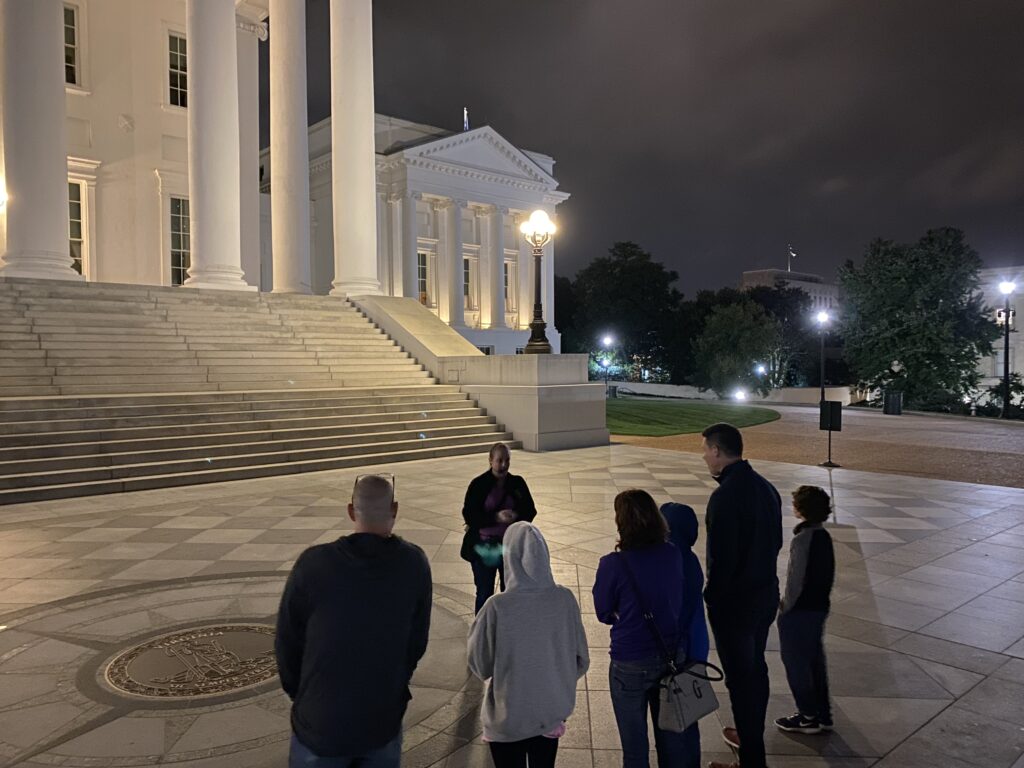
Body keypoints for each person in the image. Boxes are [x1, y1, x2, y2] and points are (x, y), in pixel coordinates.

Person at [275, 474, 432, 768]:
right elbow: (416, 643)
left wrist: (308, 693)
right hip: (380, 718)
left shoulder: (313, 564)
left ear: (350, 511)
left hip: (320, 722)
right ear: (394, 509)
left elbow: (287, 643)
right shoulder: (413, 564)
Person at [468, 521, 590, 768]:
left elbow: (480, 666)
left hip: (508, 716)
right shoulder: (564, 599)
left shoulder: (497, 607)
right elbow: (581, 659)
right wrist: (553, 682)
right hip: (550, 712)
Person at [593, 489, 696, 768]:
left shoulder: (613, 564)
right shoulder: (672, 554)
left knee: (635, 749)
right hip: (670, 655)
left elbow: (603, 611)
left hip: (630, 660)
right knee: (672, 744)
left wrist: (623, 614)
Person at [700, 423, 782, 768]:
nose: (704, 456)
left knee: (740, 678)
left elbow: (722, 560)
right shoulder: (766, 488)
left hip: (737, 604)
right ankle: (751, 739)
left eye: (706, 449)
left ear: (717, 451)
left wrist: (712, 599)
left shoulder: (725, 497)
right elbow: (775, 542)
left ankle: (752, 758)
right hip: (764, 595)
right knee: (756, 670)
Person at [775, 485, 835, 734]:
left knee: (796, 662)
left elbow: (795, 578)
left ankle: (807, 715)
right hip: (818, 607)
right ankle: (822, 713)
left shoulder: (803, 539)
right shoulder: (823, 536)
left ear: (800, 509)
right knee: (814, 661)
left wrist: (784, 608)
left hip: (799, 611)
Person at [661, 502, 710, 767]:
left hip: (680, 653)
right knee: (689, 723)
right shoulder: (689, 558)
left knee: (673, 729)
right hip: (696, 649)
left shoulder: (671, 559)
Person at [461, 443, 537, 613]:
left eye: (507, 460)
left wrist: (516, 516)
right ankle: (482, 631)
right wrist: (496, 517)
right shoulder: (479, 484)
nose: (503, 465)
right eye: (499, 460)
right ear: (490, 460)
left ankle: (507, 629)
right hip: (484, 547)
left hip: (509, 548)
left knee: (509, 592)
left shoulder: (517, 483)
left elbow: (530, 510)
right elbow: (470, 515)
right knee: (484, 593)